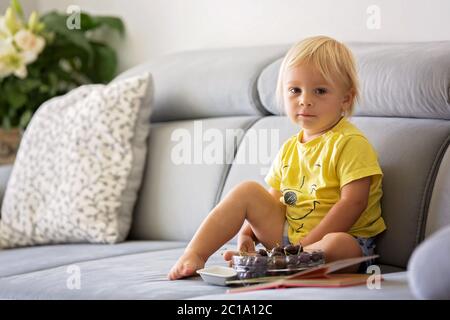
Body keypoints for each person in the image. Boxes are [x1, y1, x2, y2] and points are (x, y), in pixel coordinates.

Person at [168, 35, 386, 280]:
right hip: (287, 242)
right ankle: (196, 253)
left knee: (338, 244)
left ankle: (274, 264)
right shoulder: (289, 149)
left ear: (345, 98)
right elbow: (275, 202)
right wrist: (248, 234)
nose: (305, 100)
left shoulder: (350, 143)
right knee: (248, 191)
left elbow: (353, 203)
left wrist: (307, 245)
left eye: (320, 91)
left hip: (342, 241)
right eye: (295, 90)